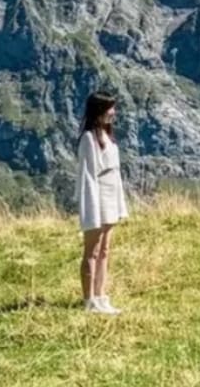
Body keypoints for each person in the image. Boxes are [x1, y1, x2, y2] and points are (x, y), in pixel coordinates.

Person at [76, 91, 129, 315]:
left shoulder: (106, 135)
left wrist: (119, 203)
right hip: (97, 197)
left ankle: (101, 295)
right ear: (99, 111)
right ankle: (89, 300)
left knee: (105, 249)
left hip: (110, 194)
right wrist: (91, 210)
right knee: (93, 250)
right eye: (109, 109)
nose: (113, 113)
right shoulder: (89, 139)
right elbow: (88, 176)